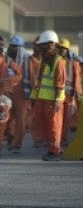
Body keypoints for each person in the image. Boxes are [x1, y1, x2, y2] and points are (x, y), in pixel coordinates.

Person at [30, 30, 66, 161]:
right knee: (45, 125)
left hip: (53, 100)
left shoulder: (58, 61)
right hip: (43, 98)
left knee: (54, 126)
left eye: (43, 45)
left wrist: (57, 100)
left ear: (51, 44)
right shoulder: (44, 60)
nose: (41, 48)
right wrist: (34, 96)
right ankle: (51, 149)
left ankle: (55, 152)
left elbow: (60, 83)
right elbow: (39, 81)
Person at [5, 35, 29, 153]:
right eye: (11, 46)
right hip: (8, 92)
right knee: (6, 118)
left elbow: (32, 78)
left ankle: (16, 144)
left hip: (22, 93)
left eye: (15, 46)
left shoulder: (27, 60)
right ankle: (9, 138)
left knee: (20, 121)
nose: (12, 48)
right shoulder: (5, 59)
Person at [56, 38, 82, 145]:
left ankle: (64, 139)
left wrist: (78, 94)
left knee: (66, 119)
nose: (61, 50)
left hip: (68, 95)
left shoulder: (74, 63)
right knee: (57, 119)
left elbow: (76, 81)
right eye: (59, 48)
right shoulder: (56, 61)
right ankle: (57, 139)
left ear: (67, 50)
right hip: (58, 94)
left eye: (63, 48)